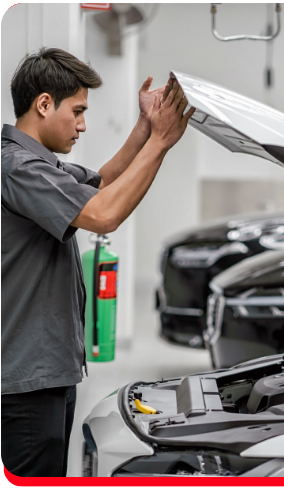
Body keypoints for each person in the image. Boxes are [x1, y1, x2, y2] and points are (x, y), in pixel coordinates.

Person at [1, 47, 195, 477]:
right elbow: (104, 214)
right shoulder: (18, 168)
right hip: (26, 381)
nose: (83, 125)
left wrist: (146, 128)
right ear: (44, 104)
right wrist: (162, 142)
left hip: (46, 372)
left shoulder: (39, 165)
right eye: (78, 111)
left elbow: (104, 182)